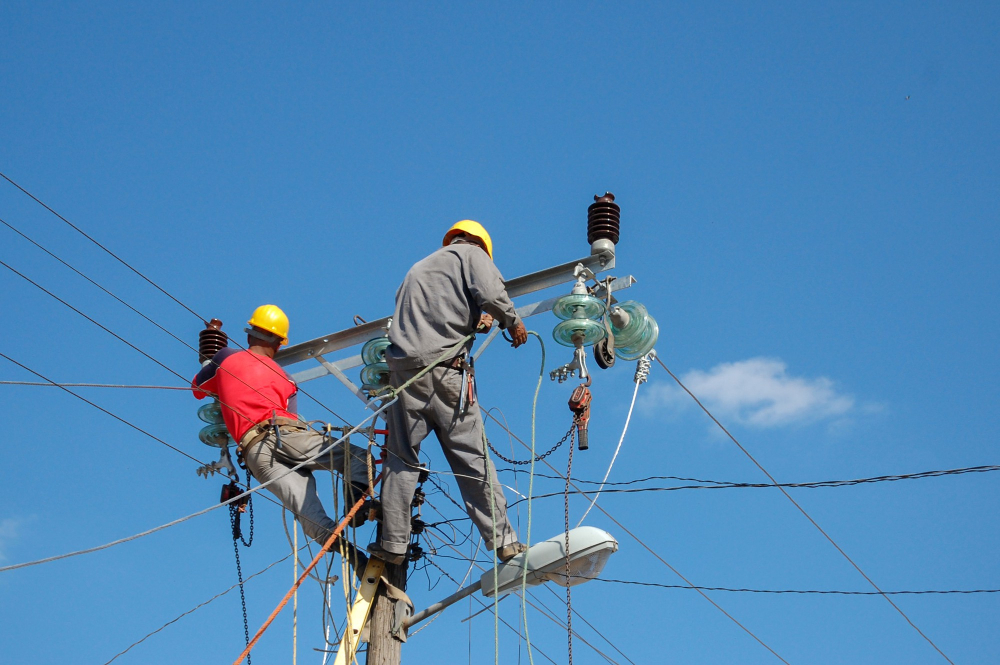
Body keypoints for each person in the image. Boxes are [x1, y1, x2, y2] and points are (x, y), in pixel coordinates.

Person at [370, 220, 529, 566]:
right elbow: (489, 292)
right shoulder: (471, 254)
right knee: (471, 459)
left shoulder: (418, 269)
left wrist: (473, 322)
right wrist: (511, 319)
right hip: (445, 373)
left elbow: (428, 319)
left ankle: (393, 545)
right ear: (478, 244)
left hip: (404, 376)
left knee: (400, 460)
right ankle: (503, 540)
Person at [192, 304, 372, 546]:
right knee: (356, 458)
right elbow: (292, 421)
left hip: (255, 454)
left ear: (248, 334)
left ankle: (352, 557)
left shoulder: (226, 358)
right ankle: (356, 507)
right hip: (284, 435)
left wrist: (212, 347)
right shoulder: (288, 379)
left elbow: (199, 388)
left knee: (305, 508)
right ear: (279, 344)